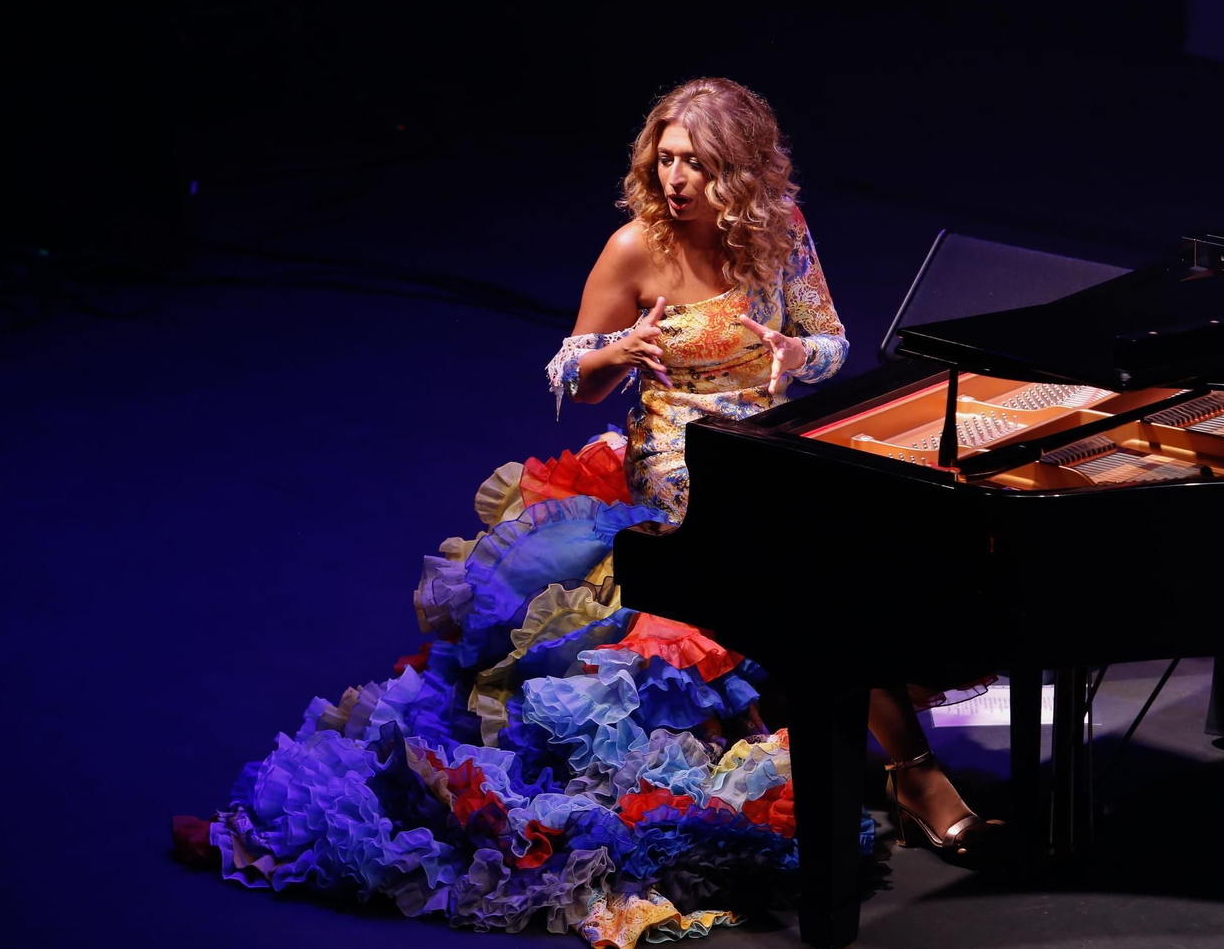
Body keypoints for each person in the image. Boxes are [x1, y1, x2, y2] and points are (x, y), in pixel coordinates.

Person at [174, 79, 999, 949]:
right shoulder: (635, 247)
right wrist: (620, 351)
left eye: (698, 164)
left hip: (774, 440)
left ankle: (890, 753)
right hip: (678, 458)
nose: (675, 179)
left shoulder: (780, 231)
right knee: (810, 571)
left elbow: (831, 343)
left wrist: (797, 352)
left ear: (742, 172)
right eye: (666, 159)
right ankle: (914, 773)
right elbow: (570, 373)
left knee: (857, 546)